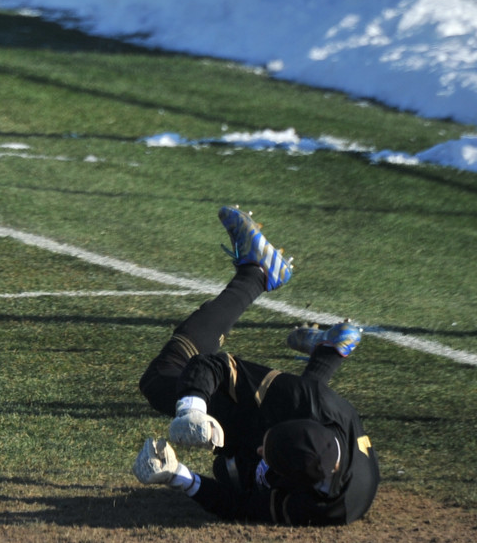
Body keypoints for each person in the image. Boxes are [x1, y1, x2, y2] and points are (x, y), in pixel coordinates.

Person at [132, 206, 379, 526]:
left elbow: (243, 507)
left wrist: (179, 476)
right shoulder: (306, 403)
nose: (261, 449)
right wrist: (190, 408)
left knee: (232, 471)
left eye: (268, 453)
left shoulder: (321, 507)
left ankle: (330, 351)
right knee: (161, 382)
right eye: (267, 442)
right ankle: (257, 272)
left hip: (320, 419)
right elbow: (213, 365)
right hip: (314, 407)